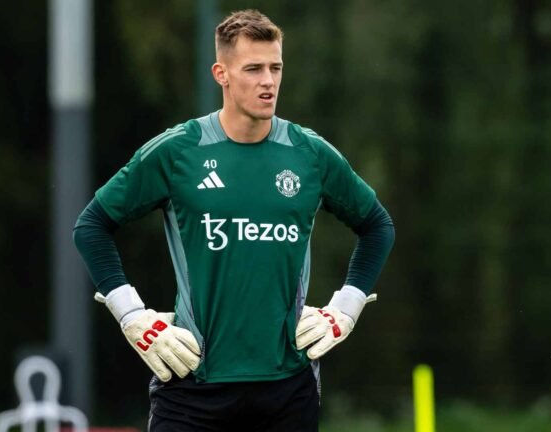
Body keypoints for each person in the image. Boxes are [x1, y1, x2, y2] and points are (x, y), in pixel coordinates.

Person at [74, 9, 395, 431]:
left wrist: (345, 309)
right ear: (221, 73)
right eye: (254, 69)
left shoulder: (309, 154)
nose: (269, 81)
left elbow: (378, 226)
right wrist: (132, 315)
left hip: (287, 388)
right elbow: (91, 225)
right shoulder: (178, 152)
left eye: (276, 67)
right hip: (191, 384)